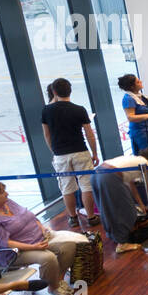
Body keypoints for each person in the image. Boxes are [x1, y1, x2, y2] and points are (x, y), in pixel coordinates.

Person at [0, 181, 84, 295]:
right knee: (48, 258)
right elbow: (7, 243)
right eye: (2, 192)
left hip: (39, 239)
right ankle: (52, 287)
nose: (7, 194)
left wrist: (42, 228)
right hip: (16, 252)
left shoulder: (7, 203)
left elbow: (29, 216)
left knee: (69, 246)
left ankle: (58, 280)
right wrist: (35, 247)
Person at [41, 78, 100, 228]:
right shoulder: (79, 109)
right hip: (80, 150)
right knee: (86, 185)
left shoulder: (46, 111)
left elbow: (47, 135)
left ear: (54, 92)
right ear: (70, 91)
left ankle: (73, 218)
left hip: (60, 154)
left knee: (66, 188)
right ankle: (91, 217)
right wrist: (94, 153)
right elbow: (89, 134)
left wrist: (54, 151)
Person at [117, 73, 148, 157]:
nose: (140, 82)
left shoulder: (141, 96)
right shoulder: (128, 98)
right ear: (132, 86)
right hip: (140, 133)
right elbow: (130, 117)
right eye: (137, 82)